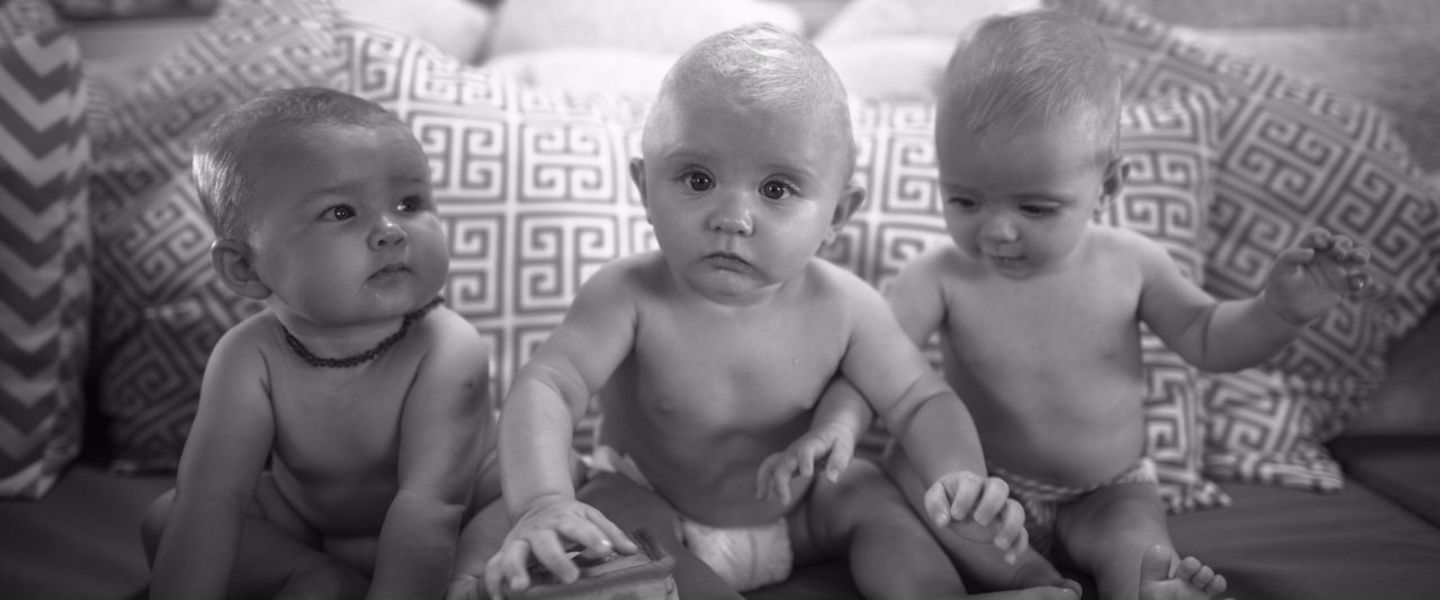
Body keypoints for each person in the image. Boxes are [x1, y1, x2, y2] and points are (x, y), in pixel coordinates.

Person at [760, 9, 1375, 600]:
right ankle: (1029, 580)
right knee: (925, 485)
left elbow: (1211, 337)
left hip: (1106, 491)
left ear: (1106, 186)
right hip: (984, 487)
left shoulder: (1132, 263)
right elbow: (874, 370)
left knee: (1137, 546)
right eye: (965, 201)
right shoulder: (937, 276)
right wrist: (836, 428)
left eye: (1034, 208)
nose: (997, 231)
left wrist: (1278, 311)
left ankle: (1152, 589)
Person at [481, 23, 1081, 600]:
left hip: (799, 516)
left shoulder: (848, 308)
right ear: (643, 187)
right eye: (696, 178)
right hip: (658, 502)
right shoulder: (627, 295)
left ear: (838, 216)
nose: (732, 218)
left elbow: (921, 400)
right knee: (614, 515)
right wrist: (542, 501)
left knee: (874, 500)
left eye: (776, 190)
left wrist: (960, 476)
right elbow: (549, 384)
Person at [141, 86, 504, 600]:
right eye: (340, 212)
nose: (390, 231)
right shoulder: (248, 356)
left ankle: (463, 582)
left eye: (409, 203)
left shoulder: (446, 346)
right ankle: (310, 576)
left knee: (523, 500)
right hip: (314, 525)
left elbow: (431, 503)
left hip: (459, 518)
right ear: (244, 268)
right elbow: (213, 497)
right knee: (169, 517)